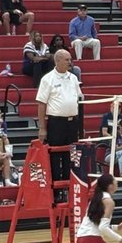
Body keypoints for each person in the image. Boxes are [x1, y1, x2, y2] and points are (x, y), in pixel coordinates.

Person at [36, 49, 83, 202]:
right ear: (58, 61)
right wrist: (42, 128)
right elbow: (41, 104)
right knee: (55, 156)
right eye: (67, 59)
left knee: (72, 155)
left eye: (70, 59)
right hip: (56, 123)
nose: (70, 62)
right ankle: (56, 193)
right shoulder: (47, 79)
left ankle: (70, 190)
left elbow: (79, 100)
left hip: (72, 122)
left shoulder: (74, 78)